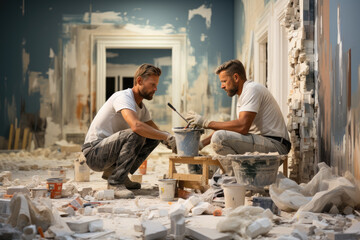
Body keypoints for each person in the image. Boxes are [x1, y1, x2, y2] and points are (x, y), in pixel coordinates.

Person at [82, 63, 176, 199]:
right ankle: (115, 182)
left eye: (156, 85)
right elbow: (136, 126)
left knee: (153, 137)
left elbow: (155, 131)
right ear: (139, 81)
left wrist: (171, 140)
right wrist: (166, 137)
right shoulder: (123, 97)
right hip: (94, 152)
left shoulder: (141, 108)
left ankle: (118, 174)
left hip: (106, 151)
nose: (155, 89)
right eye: (152, 85)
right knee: (136, 133)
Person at [186, 59, 291, 174]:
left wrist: (207, 123)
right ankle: (232, 176)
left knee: (220, 138)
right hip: (265, 141)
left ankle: (237, 180)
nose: (222, 86)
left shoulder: (252, 89)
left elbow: (242, 127)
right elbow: (234, 127)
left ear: (236, 77)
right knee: (220, 136)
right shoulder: (243, 94)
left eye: (224, 81)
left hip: (276, 146)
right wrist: (201, 144)